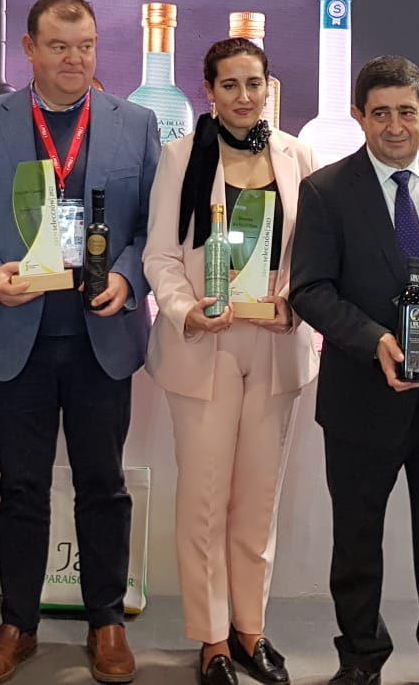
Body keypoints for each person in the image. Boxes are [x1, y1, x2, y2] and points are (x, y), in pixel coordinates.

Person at [0, 0, 161, 685]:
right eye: (59, 46)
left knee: (103, 486)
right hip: (15, 336)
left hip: (101, 338)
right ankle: (17, 623)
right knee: (21, 488)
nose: (75, 59)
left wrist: (127, 276)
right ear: (27, 49)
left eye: (86, 44)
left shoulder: (136, 123)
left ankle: (107, 622)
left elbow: (155, 227)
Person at [289, 55, 419, 685]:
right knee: (357, 542)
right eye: (379, 112)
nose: (393, 126)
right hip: (361, 398)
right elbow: (311, 289)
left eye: (406, 112)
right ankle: (360, 658)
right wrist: (375, 338)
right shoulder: (326, 190)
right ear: (358, 116)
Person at [144, 38, 320, 685]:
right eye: (231, 85)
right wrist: (187, 309)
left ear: (269, 86)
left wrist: (295, 302)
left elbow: (315, 255)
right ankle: (212, 637)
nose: (244, 97)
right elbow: (161, 254)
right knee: (204, 500)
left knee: (258, 500)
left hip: (275, 343)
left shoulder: (298, 155)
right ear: (209, 91)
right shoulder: (180, 156)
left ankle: (252, 628)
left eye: (255, 83)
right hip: (204, 345)